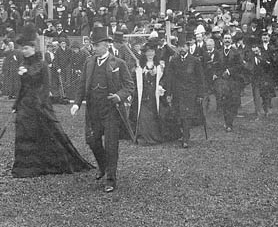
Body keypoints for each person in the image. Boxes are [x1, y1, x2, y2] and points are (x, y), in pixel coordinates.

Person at [11, 23, 93, 178]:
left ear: (33, 49)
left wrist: (39, 104)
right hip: (24, 106)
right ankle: (25, 167)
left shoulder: (41, 65)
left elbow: (45, 86)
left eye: (26, 48)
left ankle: (45, 165)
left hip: (39, 105)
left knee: (48, 135)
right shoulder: (22, 65)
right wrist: (16, 105)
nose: (24, 51)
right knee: (24, 136)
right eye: (23, 49)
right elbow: (22, 88)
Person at [70, 26, 135, 193]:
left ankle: (111, 179)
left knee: (111, 145)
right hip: (93, 109)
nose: (94, 47)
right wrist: (77, 103)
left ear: (106, 45)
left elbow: (129, 86)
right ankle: (103, 165)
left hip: (111, 110)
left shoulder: (118, 63)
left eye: (97, 45)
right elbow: (82, 84)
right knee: (92, 140)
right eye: (93, 44)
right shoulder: (89, 62)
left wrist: (119, 96)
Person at [129, 39, 178, 145]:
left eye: (152, 51)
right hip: (143, 94)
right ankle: (144, 137)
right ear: (145, 53)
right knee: (143, 116)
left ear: (155, 53)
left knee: (157, 115)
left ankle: (156, 136)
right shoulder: (139, 66)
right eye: (148, 52)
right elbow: (133, 79)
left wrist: (161, 85)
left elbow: (165, 78)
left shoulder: (160, 66)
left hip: (155, 94)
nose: (150, 53)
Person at [163, 35, 206, 148]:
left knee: (187, 115)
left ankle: (186, 138)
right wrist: (168, 93)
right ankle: (182, 134)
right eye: (179, 47)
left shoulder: (194, 61)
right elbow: (169, 78)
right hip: (177, 93)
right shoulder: (174, 61)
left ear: (188, 47)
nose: (182, 49)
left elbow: (200, 79)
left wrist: (200, 94)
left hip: (190, 93)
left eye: (184, 47)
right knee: (179, 115)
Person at [214, 31, 244, 132]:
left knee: (232, 102)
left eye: (228, 39)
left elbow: (240, 66)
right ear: (223, 40)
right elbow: (216, 65)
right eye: (225, 38)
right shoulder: (218, 52)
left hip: (233, 80)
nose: (227, 40)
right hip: (222, 81)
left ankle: (229, 122)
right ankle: (227, 122)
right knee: (225, 102)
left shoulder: (236, 52)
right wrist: (218, 73)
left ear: (231, 41)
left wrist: (229, 71)